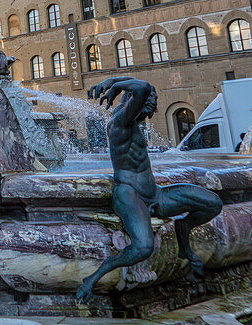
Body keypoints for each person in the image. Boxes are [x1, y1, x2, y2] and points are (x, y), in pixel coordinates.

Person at [76, 77, 223, 304]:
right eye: (149, 103)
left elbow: (142, 88)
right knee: (142, 248)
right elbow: (142, 87)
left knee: (213, 202)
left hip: (155, 193)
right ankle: (93, 277)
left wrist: (119, 85)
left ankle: (183, 233)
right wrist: (114, 84)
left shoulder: (131, 121)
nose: (151, 109)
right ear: (134, 101)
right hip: (129, 194)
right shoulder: (121, 121)